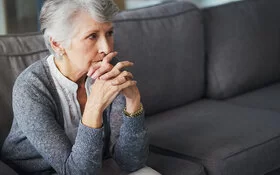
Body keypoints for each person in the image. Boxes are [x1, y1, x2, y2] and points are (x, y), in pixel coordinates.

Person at [1, 0, 160, 174]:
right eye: (92, 36)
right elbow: (76, 172)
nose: (106, 48)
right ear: (57, 44)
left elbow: (131, 162)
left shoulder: (110, 70)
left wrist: (133, 102)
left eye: (109, 33)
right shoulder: (31, 88)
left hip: (95, 164)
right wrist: (95, 106)